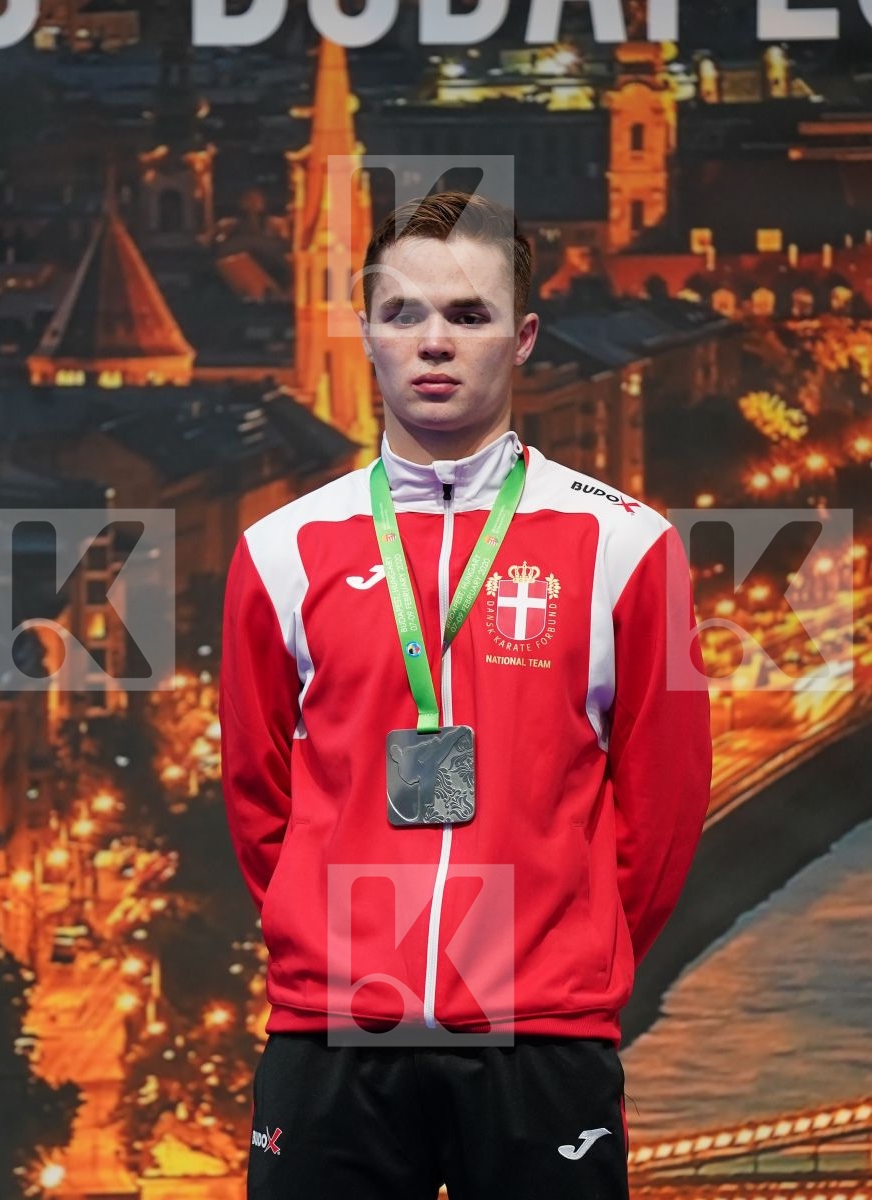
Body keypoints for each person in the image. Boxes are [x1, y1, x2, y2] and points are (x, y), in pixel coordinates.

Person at [219, 190, 713, 1200]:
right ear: (364, 329)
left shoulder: (629, 545)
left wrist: (561, 955)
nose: (432, 342)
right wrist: (330, 941)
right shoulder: (275, 551)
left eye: (469, 314)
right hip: (333, 1041)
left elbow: (662, 814)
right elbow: (257, 798)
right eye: (403, 313)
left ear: (523, 336)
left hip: (542, 1043)